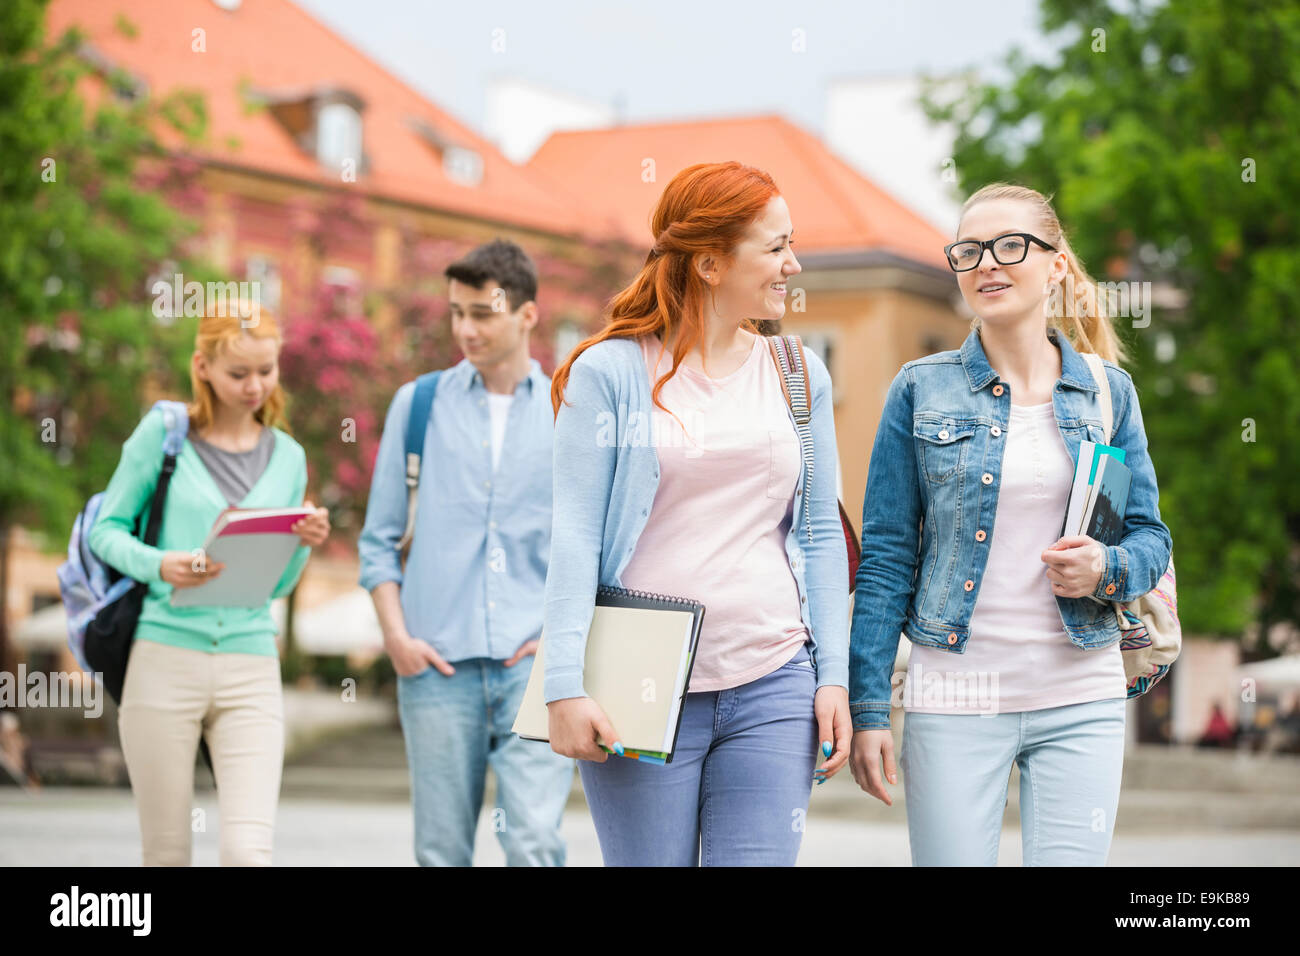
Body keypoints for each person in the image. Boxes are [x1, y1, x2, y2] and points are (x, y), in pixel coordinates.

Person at [848, 183, 1172, 866]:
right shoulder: (918, 388)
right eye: (969, 251)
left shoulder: (1109, 392)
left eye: (1010, 246)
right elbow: (884, 558)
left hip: (1080, 693)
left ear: (1056, 264)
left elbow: (1150, 538)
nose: (987, 263)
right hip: (954, 696)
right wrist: (869, 707)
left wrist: (1106, 568)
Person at [544, 161, 850, 866]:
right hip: (639, 686)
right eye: (774, 248)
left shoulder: (798, 372)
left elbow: (820, 537)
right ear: (710, 262)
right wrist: (564, 683)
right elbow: (575, 535)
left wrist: (831, 673)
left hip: (774, 678)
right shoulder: (611, 374)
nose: (792, 264)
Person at [89, 304, 330, 866]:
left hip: (250, 664)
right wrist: (161, 563)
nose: (255, 386)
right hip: (164, 659)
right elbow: (106, 531)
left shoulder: (288, 457)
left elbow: (275, 586)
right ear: (202, 367)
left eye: (267, 371)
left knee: (248, 853)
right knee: (168, 854)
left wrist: (301, 544)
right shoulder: (164, 436)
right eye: (238, 374)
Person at [359, 238, 574, 867]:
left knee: (533, 842)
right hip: (435, 668)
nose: (465, 328)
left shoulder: (570, 410)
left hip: (532, 667)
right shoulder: (418, 405)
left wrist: (562, 640)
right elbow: (378, 541)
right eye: (457, 312)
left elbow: (598, 544)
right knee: (440, 852)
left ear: (528, 315)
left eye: (482, 313)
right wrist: (397, 637)